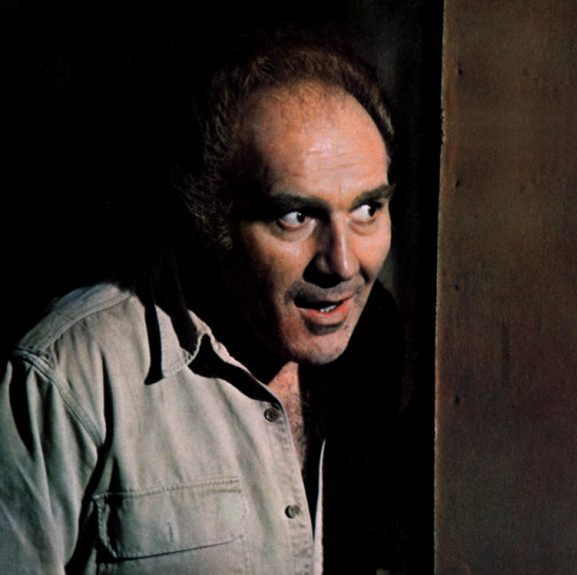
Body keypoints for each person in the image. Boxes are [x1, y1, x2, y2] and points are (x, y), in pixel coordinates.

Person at [0, 40, 414, 574]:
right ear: (211, 219)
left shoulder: (380, 342)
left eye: (367, 209)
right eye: (294, 216)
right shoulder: (72, 375)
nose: (342, 262)